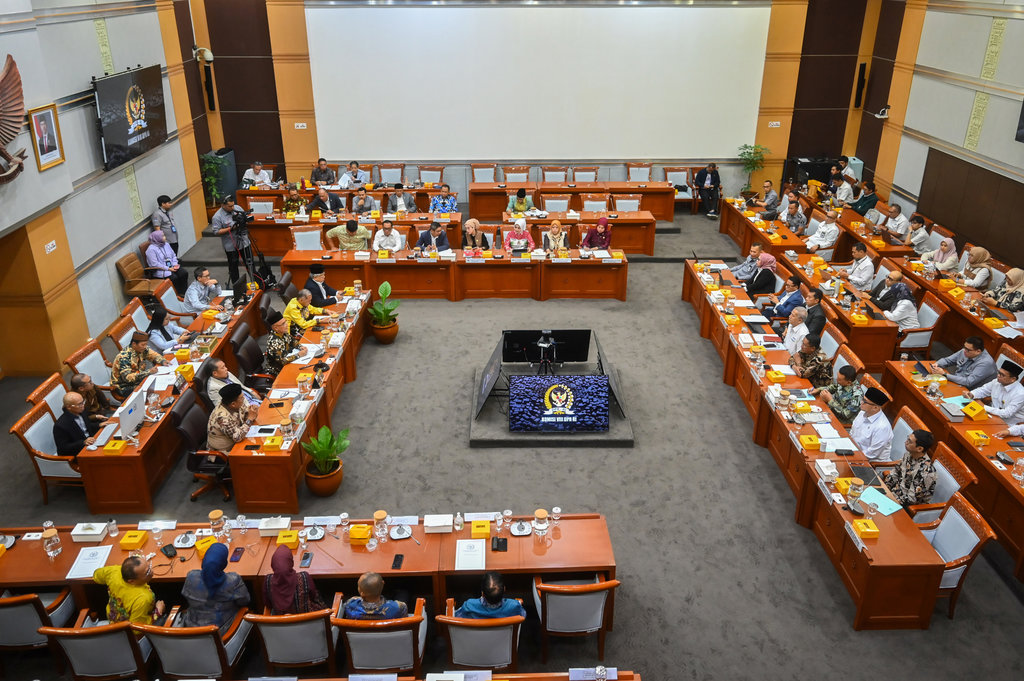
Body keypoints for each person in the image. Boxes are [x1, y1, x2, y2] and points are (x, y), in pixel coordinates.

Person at [178, 542, 250, 632]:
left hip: (192, 631)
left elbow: (185, 595)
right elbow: (245, 601)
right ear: (224, 563)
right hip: (222, 632)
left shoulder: (191, 576)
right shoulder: (233, 580)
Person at [93, 555, 165, 625]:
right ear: (131, 581)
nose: (152, 571)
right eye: (147, 572)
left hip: (113, 617)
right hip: (125, 629)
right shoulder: (143, 598)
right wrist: (158, 612)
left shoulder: (114, 571)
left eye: (149, 566)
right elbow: (136, 628)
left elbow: (96, 575)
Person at [264, 545, 326, 615]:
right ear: (291, 562)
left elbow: (268, 604)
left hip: (280, 620)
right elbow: (313, 596)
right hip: (308, 618)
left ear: (272, 565)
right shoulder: (304, 577)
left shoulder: (268, 581)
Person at [883, 430, 937, 507]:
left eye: (910, 441)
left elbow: (911, 500)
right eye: (907, 438)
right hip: (893, 494)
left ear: (919, 449)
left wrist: (888, 498)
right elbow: (895, 473)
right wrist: (884, 489)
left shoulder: (926, 471)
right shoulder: (908, 454)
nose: (906, 442)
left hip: (905, 506)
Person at [211, 196, 252, 287]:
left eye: (233, 205)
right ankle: (237, 287)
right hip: (231, 245)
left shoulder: (238, 208)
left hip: (244, 242)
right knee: (233, 268)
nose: (233, 208)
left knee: (250, 263)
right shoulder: (217, 217)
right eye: (230, 206)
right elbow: (216, 231)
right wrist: (231, 228)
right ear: (223, 205)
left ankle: (255, 282)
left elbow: (245, 219)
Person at [111, 331, 165, 398]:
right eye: (143, 345)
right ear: (134, 344)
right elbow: (128, 378)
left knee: (158, 385)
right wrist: (148, 372)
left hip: (138, 379)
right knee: (154, 391)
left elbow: (153, 355)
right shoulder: (124, 357)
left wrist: (162, 360)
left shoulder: (142, 348)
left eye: (146, 344)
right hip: (124, 387)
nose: (145, 347)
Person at [207, 383, 258, 452]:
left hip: (238, 440)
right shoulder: (222, 418)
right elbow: (237, 437)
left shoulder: (235, 403)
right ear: (233, 404)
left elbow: (245, 415)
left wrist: (252, 411)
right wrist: (249, 419)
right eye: (242, 398)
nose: (244, 399)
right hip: (225, 450)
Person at [933, 336, 997, 389]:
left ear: (978, 351)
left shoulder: (986, 363)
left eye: (968, 350)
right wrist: (937, 364)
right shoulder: (966, 350)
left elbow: (968, 382)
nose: (964, 351)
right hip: (957, 381)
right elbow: (948, 360)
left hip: (970, 390)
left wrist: (944, 374)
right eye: (964, 347)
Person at [455, 572, 527, 619]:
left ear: (482, 594)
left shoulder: (469, 606)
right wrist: (518, 604)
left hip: (475, 638)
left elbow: (457, 617)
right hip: (503, 638)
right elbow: (523, 616)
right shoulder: (514, 606)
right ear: (504, 589)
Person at [850, 387, 894, 461]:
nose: (861, 402)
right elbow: (852, 433)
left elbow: (871, 454)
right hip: (854, 451)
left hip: (871, 462)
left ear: (875, 408)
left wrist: (852, 456)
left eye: (865, 401)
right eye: (863, 399)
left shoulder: (882, 427)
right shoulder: (862, 413)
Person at [53, 392, 104, 456]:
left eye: (83, 402)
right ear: (69, 407)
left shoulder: (82, 411)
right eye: (79, 404)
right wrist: (83, 442)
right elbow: (63, 448)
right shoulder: (60, 426)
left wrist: (99, 425)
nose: (83, 405)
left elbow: (86, 427)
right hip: (78, 453)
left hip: (91, 443)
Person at [343, 572, 408, 620]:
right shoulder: (398, 607)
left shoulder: (350, 605)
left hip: (360, 634)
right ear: (383, 583)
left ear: (362, 593)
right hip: (389, 634)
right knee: (403, 593)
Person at [145, 230, 187, 294]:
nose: (165, 237)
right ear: (157, 238)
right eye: (163, 236)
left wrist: (175, 264)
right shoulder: (151, 250)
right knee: (174, 278)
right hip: (161, 270)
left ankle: (184, 292)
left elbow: (173, 255)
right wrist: (168, 268)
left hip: (172, 266)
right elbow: (154, 264)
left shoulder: (166, 244)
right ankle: (176, 294)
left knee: (184, 273)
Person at [264, 310, 301, 376]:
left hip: (288, 358)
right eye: (283, 324)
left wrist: (300, 347)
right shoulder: (274, 342)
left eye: (285, 321)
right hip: (278, 370)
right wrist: (299, 355)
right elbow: (282, 362)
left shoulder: (283, 332)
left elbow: (292, 341)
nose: (286, 324)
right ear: (276, 328)